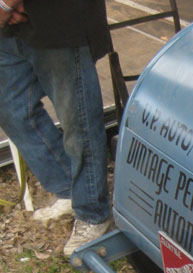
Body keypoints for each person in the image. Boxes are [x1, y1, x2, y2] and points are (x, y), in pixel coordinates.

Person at [0, 0, 113, 256]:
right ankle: (73, 191)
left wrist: (6, 5)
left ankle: (93, 212)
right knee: (13, 112)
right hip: (9, 29)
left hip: (58, 20)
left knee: (79, 122)